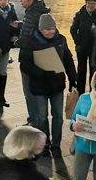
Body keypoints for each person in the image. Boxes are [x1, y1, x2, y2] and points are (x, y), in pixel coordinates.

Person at [19, 14, 77, 156]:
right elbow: (25, 65)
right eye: (47, 29)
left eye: (52, 28)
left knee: (58, 115)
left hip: (57, 86)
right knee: (41, 117)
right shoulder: (30, 42)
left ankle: (56, 145)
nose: (50, 32)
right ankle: (44, 144)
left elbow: (68, 60)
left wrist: (73, 79)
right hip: (39, 87)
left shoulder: (61, 40)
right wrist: (41, 73)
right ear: (40, 29)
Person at [16, 0, 50, 127]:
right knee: (39, 91)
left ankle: (34, 120)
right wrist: (21, 25)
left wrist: (16, 41)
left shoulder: (31, 14)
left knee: (29, 91)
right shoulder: (40, 12)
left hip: (29, 59)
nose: (21, 0)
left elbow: (27, 38)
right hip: (41, 58)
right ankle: (40, 120)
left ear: (31, 0)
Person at [70, 0, 96, 93]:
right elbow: (73, 29)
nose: (91, 5)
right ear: (86, 3)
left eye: (93, 3)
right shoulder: (80, 14)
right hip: (82, 47)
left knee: (93, 71)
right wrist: (78, 42)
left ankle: (93, 93)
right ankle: (81, 94)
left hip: (95, 48)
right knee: (81, 71)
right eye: (89, 3)